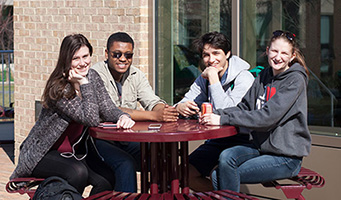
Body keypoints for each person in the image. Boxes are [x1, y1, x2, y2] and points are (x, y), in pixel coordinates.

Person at [10, 34, 135, 196]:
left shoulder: (93, 77)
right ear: (66, 60)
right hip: (43, 153)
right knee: (77, 173)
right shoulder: (60, 88)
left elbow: (108, 108)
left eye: (86, 56)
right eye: (76, 58)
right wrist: (84, 84)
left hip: (73, 153)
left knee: (106, 178)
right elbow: (91, 118)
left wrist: (122, 116)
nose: (83, 63)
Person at [200, 30, 311, 192]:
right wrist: (217, 116)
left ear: (292, 56)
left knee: (221, 175)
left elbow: (267, 118)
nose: (278, 57)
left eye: (284, 53)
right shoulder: (264, 76)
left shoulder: (295, 80)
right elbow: (243, 107)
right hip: (260, 148)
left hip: (285, 157)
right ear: (267, 51)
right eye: (274, 51)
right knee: (226, 156)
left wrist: (222, 120)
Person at [92, 32, 178, 192]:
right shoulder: (95, 74)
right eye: (116, 54)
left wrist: (163, 111)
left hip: (126, 139)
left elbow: (152, 101)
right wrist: (153, 115)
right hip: (100, 141)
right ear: (106, 54)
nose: (123, 59)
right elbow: (109, 110)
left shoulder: (136, 74)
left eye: (128, 55)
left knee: (161, 158)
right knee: (125, 164)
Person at [174, 31, 254, 191]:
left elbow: (226, 113)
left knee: (218, 173)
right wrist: (180, 107)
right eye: (206, 55)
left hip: (244, 140)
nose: (211, 60)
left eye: (216, 53)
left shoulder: (244, 79)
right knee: (184, 173)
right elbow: (186, 100)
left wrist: (213, 79)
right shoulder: (205, 76)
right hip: (217, 140)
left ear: (228, 54)